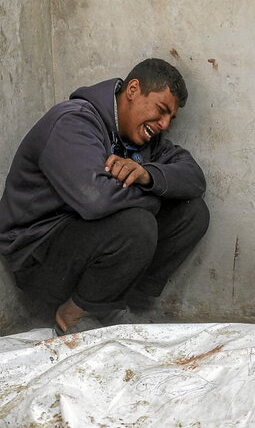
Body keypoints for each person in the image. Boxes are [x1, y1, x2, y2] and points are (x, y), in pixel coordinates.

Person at [0, 58, 209, 335]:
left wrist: (148, 175)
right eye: (161, 111)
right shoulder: (73, 121)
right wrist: (152, 196)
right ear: (133, 90)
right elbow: (94, 200)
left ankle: (118, 305)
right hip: (36, 254)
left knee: (192, 213)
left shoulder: (144, 140)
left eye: (171, 118)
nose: (165, 124)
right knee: (138, 224)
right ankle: (72, 316)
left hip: (86, 242)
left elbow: (194, 179)